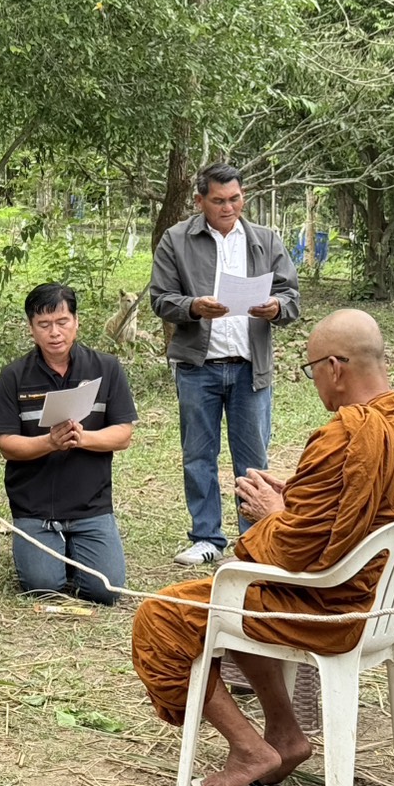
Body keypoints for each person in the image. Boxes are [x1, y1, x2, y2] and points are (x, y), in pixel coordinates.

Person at [132, 309, 394, 786]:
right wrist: (295, 498)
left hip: (332, 608)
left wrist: (272, 513)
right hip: (385, 606)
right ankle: (286, 735)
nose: (315, 383)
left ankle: (249, 750)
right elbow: (365, 508)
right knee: (236, 598)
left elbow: (290, 552)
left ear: (334, 367)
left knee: (163, 616)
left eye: (312, 371)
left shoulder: (344, 436)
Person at [151, 162, 301, 565]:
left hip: (251, 367)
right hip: (197, 366)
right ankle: (206, 538)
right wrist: (193, 307)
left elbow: (292, 297)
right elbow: (160, 299)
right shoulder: (176, 239)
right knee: (198, 455)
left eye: (235, 198)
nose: (228, 207)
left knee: (253, 461)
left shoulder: (264, 240)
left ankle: (254, 541)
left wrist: (276, 307)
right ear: (199, 200)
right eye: (218, 200)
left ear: (243, 196)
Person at [0, 284, 137, 605]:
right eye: (44, 324)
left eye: (62, 322)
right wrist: (49, 442)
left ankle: (76, 547)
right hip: (35, 507)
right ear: (31, 329)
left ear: (76, 322)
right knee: (43, 587)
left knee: (105, 591)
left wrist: (82, 438)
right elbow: (8, 445)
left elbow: (123, 434)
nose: (54, 332)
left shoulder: (106, 368)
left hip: (91, 506)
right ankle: (51, 550)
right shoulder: (14, 376)